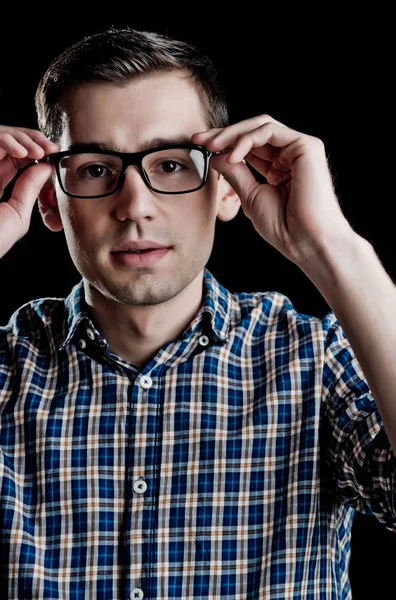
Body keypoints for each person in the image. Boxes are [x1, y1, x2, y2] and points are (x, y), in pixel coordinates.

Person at [0, 26, 395, 600]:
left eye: (171, 164)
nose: (134, 206)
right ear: (48, 200)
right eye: (93, 168)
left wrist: (331, 247)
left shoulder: (315, 362)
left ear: (229, 186)